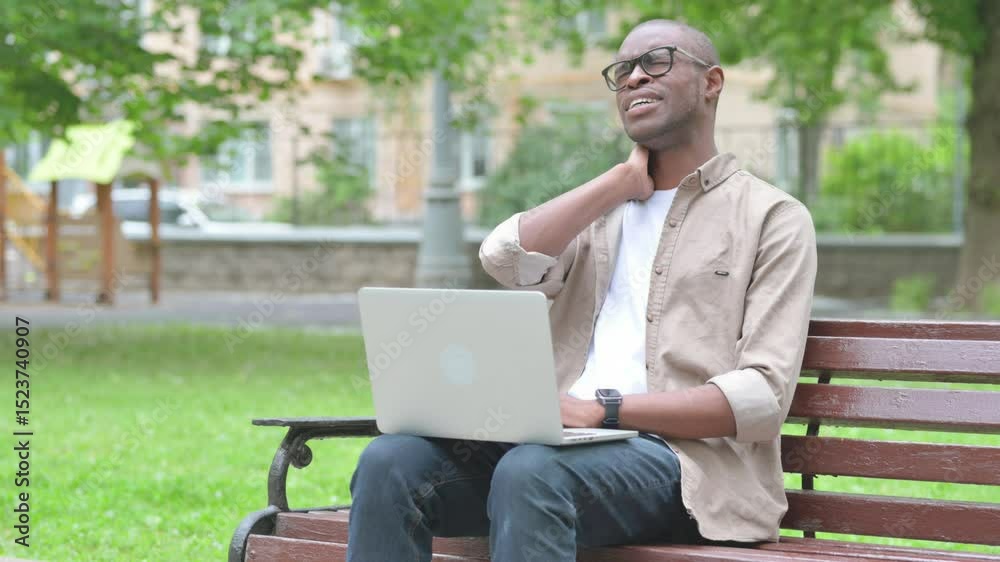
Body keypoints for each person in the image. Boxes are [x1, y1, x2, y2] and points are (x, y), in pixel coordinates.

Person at [347, 18, 817, 562]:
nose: (635, 78)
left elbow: (762, 398)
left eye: (656, 61)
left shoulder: (772, 218)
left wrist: (607, 411)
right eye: (623, 71)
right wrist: (617, 183)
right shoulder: (601, 213)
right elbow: (503, 258)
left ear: (711, 82)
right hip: (556, 449)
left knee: (532, 473)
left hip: (687, 468)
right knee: (390, 463)